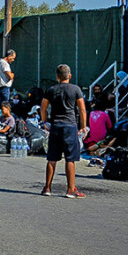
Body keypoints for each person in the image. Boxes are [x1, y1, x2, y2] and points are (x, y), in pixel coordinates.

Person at [40, 64, 87, 198]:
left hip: (55, 126)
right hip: (70, 126)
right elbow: (82, 109)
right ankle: (70, 189)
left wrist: (44, 122)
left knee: (52, 159)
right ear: (69, 76)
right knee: (70, 159)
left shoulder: (51, 89)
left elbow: (43, 108)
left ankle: (47, 188)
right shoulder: (75, 89)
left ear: (57, 77)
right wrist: (83, 126)